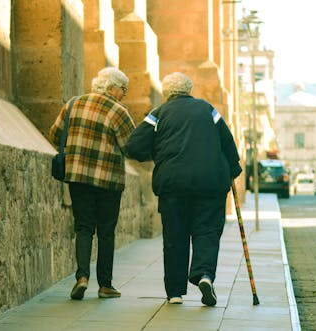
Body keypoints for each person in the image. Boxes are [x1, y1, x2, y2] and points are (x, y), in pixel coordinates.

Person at [125, 72, 242, 306]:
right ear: (189, 91)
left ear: (167, 93)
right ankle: (204, 275)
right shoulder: (208, 110)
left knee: (175, 237)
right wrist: (232, 170)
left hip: (173, 184)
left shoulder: (158, 114)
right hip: (210, 183)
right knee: (207, 231)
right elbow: (228, 143)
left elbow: (133, 146)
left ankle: (175, 292)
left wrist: (157, 155)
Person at [49, 67, 135, 300]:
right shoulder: (118, 111)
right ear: (111, 88)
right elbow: (131, 146)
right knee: (106, 231)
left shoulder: (73, 104)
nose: (124, 94)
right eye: (123, 89)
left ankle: (82, 277)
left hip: (78, 177)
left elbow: (56, 134)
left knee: (83, 227)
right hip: (108, 180)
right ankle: (105, 285)